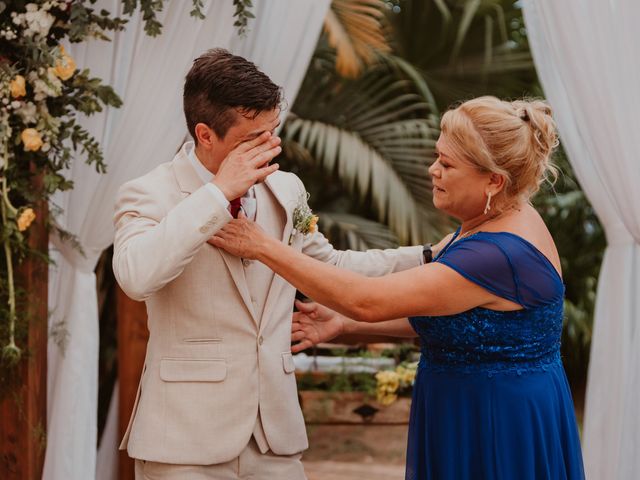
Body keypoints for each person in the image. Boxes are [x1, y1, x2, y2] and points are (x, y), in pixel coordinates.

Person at [211, 96, 586, 479]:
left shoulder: (498, 253)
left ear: (494, 180)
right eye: (437, 156)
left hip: (496, 422)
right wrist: (345, 326)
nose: (433, 170)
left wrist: (263, 247)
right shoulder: (498, 215)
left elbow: (366, 300)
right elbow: (467, 322)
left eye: (447, 164)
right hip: (473, 406)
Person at [112, 48, 425, 480]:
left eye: (272, 132)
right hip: (184, 440)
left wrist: (426, 256)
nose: (269, 147)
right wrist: (218, 194)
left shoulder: (286, 190)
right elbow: (135, 276)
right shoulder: (148, 193)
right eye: (251, 139)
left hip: (274, 437)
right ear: (205, 134)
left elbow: (331, 264)